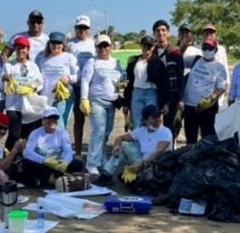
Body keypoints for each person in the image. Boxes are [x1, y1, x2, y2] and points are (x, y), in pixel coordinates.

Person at [80, 34, 124, 181]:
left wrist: (122, 86)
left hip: (111, 103)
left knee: (106, 133)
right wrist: (84, 99)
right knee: (98, 131)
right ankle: (91, 163)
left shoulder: (116, 62)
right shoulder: (92, 62)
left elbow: (121, 80)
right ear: (96, 47)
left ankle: (101, 159)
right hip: (97, 101)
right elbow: (85, 81)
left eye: (106, 46)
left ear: (110, 47)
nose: (103, 49)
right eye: (100, 46)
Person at [21, 107, 84, 188]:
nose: (52, 121)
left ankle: (50, 180)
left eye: (55, 118)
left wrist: (65, 162)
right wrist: (44, 160)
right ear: (43, 120)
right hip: (42, 165)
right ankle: (55, 180)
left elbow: (68, 152)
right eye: (49, 118)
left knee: (77, 163)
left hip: (58, 166)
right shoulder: (35, 134)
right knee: (27, 162)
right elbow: (27, 152)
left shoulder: (63, 133)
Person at [180, 40, 228, 145]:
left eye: (210, 48)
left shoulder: (219, 67)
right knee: (190, 138)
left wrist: (211, 98)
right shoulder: (195, 59)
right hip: (190, 105)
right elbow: (179, 59)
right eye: (204, 48)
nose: (207, 50)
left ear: (215, 49)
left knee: (208, 138)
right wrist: (183, 46)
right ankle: (190, 158)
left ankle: (206, 159)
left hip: (207, 108)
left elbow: (222, 87)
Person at [2, 35, 44, 149]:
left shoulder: (33, 66)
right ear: (15, 49)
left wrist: (32, 88)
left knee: (27, 134)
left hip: (29, 105)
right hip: (13, 106)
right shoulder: (9, 65)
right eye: (18, 47)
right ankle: (9, 158)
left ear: (28, 50)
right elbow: (1, 86)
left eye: (23, 48)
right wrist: (3, 80)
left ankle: (24, 159)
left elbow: (40, 83)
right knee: (14, 134)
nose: (21, 50)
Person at [110, 104, 173, 180]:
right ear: (145, 121)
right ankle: (107, 173)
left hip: (157, 164)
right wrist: (116, 146)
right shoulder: (141, 131)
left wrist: (142, 164)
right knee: (123, 145)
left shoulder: (165, 132)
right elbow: (120, 138)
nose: (158, 120)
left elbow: (158, 152)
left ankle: (136, 174)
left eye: (158, 116)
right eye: (154, 117)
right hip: (143, 161)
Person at [66, 15, 96, 157]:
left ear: (89, 29)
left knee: (96, 121)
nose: (82, 30)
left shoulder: (93, 44)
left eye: (85, 28)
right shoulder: (70, 44)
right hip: (76, 85)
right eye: (79, 27)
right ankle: (77, 152)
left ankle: (95, 152)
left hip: (91, 85)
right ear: (75, 28)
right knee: (78, 120)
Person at [123, 35, 169, 130]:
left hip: (151, 93)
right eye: (144, 45)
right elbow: (128, 83)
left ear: (153, 47)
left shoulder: (158, 63)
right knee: (136, 122)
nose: (146, 48)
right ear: (141, 46)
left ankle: (150, 144)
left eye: (149, 46)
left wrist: (165, 103)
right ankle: (137, 144)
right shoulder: (133, 61)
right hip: (136, 93)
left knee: (152, 122)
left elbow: (164, 83)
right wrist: (126, 103)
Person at [37, 31, 79, 130]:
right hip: (46, 98)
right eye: (53, 43)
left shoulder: (69, 57)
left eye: (59, 43)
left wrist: (69, 78)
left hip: (63, 97)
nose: (56, 45)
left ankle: (60, 145)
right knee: (46, 126)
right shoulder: (43, 58)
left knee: (59, 125)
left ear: (63, 44)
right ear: (49, 44)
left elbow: (79, 76)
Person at [153, 20, 185, 143]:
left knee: (171, 128)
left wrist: (181, 98)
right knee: (153, 126)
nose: (161, 33)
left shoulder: (176, 52)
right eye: (158, 31)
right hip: (155, 94)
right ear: (154, 34)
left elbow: (180, 76)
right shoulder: (152, 52)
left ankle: (170, 153)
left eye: (163, 30)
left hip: (172, 95)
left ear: (168, 33)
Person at [200, 23, 230, 109]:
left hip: (219, 86)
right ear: (203, 35)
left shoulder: (221, 49)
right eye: (206, 33)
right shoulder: (199, 48)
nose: (209, 35)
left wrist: (227, 84)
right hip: (204, 87)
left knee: (218, 108)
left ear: (215, 35)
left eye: (211, 33)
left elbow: (225, 66)